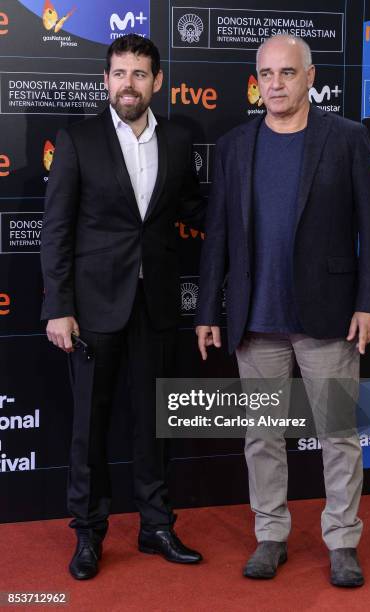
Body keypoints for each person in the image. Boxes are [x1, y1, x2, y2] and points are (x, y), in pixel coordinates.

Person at [195, 35, 370, 587]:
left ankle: (343, 539)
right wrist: (208, 308)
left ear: (310, 77)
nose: (275, 84)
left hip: (328, 315)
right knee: (262, 435)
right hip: (255, 321)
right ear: (256, 81)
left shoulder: (348, 138)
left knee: (338, 434)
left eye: (287, 73)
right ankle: (271, 534)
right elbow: (218, 239)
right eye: (266, 75)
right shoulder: (236, 145)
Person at [41, 34, 204, 580]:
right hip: (91, 309)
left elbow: (192, 207)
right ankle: (88, 534)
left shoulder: (179, 138)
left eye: (138, 74)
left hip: (155, 304)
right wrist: (57, 306)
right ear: (105, 79)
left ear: (156, 81)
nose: (127, 84)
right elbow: (56, 230)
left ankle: (156, 525)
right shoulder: (78, 138)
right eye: (118, 73)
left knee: (155, 421)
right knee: (90, 424)